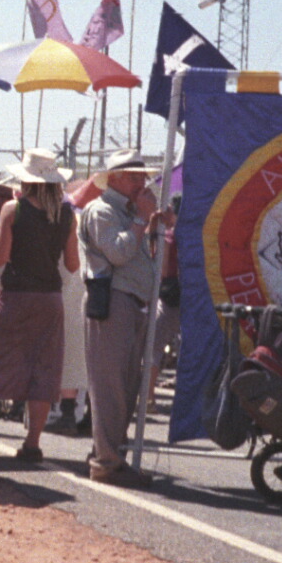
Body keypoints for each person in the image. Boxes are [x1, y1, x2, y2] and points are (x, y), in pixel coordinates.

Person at [0, 150, 79, 464]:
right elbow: (72, 264)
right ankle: (32, 444)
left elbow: (0, 257)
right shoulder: (67, 215)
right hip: (50, 299)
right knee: (44, 370)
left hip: (14, 296)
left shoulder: (14, 209)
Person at [77, 149, 166, 487]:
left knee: (125, 385)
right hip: (113, 301)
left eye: (142, 177)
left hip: (131, 302)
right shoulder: (101, 210)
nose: (141, 183)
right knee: (111, 385)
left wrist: (151, 223)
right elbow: (118, 252)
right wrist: (143, 220)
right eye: (133, 177)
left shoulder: (129, 211)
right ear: (113, 179)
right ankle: (107, 461)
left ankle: (109, 453)